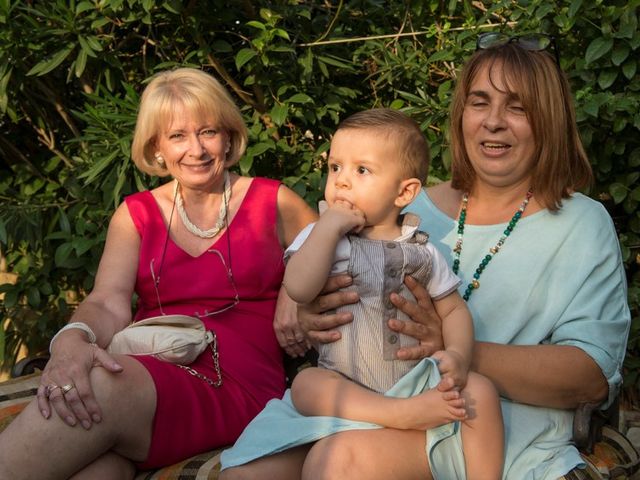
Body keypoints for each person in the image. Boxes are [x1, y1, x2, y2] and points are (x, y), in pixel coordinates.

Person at [220, 33, 631, 479]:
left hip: (480, 419)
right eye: (480, 102)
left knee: (339, 463)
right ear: (460, 115)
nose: (493, 122)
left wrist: (453, 348)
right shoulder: (400, 211)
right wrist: (304, 304)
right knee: (247, 474)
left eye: (517, 107)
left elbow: (590, 377)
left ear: (548, 120)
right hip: (362, 398)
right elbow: (318, 268)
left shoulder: (580, 224)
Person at [0, 67, 316, 479]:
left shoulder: (272, 201)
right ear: (157, 148)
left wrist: (294, 292)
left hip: (237, 376)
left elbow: (333, 257)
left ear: (228, 136)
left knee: (98, 387)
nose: (197, 149)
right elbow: (107, 302)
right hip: (150, 365)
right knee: (98, 472)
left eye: (208, 132)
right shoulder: (135, 215)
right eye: (178, 136)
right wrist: (71, 339)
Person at [282, 108, 502, 478]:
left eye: (361, 170)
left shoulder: (422, 250)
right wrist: (327, 228)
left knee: (480, 391)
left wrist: (460, 356)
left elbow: (452, 311)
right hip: (346, 387)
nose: (342, 183)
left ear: (405, 191)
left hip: (413, 382)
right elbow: (299, 288)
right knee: (305, 384)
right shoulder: (322, 239)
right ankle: (396, 416)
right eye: (335, 168)